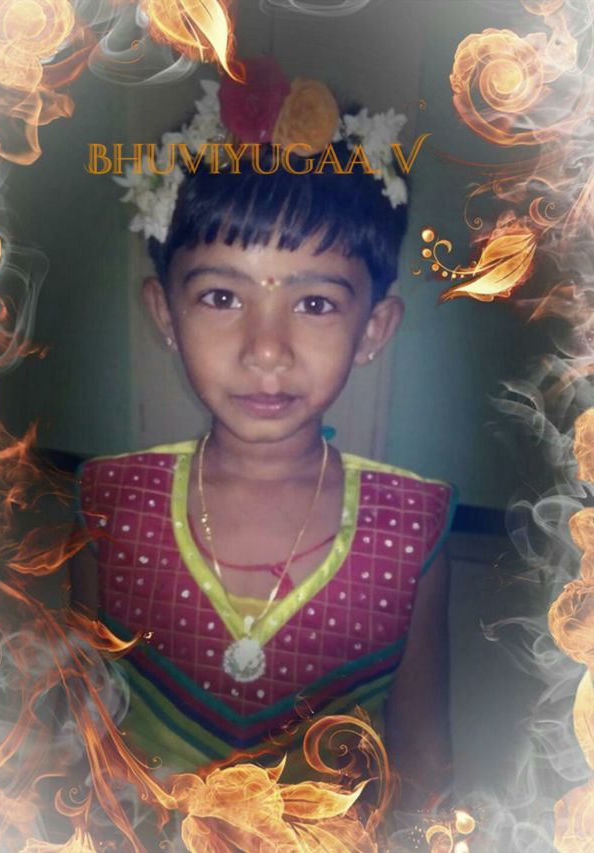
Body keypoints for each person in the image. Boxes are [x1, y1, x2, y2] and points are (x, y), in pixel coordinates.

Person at [71, 77, 456, 813]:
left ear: (372, 330)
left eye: (314, 303)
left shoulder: (413, 527)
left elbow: (424, 755)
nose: (267, 349)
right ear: (166, 314)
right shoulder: (107, 501)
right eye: (222, 297)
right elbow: (86, 713)